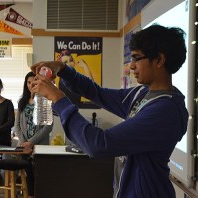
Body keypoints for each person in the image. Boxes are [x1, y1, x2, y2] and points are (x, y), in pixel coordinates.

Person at [30, 24, 188, 198]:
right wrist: (63, 70)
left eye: (137, 58)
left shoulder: (165, 110)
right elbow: (98, 93)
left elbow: (99, 144)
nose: (131, 66)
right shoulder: (142, 93)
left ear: (159, 60)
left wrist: (59, 100)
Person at [13, 71, 53, 198]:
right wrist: (25, 143)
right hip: (24, 147)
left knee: (40, 175)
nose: (31, 85)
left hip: (39, 146)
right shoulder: (22, 101)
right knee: (28, 172)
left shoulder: (45, 100)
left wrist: (31, 142)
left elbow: (48, 126)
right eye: (28, 82)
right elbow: (17, 125)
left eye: (34, 82)